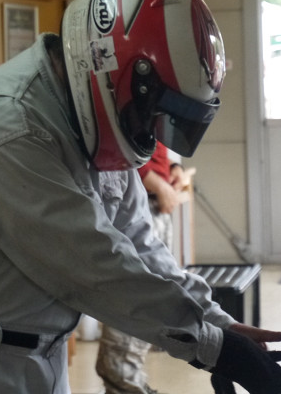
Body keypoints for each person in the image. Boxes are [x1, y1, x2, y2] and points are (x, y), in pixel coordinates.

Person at [0, 0, 281, 394]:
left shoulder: (88, 117)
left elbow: (140, 245)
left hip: (36, 355)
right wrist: (215, 348)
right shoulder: (14, 128)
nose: (152, 129)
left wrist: (218, 323)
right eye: (152, 110)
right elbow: (96, 266)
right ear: (114, 69)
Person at [96, 143, 186, 394]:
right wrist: (157, 183)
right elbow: (119, 143)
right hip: (137, 202)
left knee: (154, 301)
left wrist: (172, 167)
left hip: (152, 202)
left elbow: (152, 144)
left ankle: (127, 378)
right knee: (136, 297)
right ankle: (123, 379)